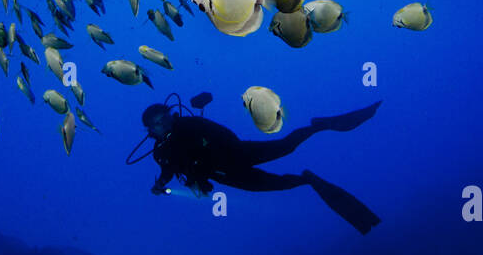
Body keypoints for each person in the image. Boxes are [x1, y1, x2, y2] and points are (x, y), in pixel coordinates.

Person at [141, 98, 383, 235]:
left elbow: (223, 133)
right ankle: (308, 179)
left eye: (165, 119)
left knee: (286, 146)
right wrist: (161, 185)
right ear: (150, 130)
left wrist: (228, 150)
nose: (164, 125)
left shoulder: (191, 124)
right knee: (275, 185)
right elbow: (168, 169)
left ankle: (319, 125)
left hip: (238, 153)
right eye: (157, 125)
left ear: (171, 115)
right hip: (227, 175)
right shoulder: (160, 152)